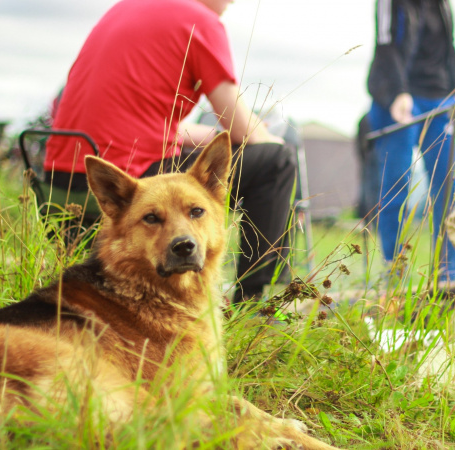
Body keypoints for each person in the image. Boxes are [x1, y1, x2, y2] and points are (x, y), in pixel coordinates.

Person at [43, 0, 295, 304]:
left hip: (57, 183)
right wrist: (270, 139)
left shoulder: (129, 8)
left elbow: (142, 124)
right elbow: (244, 130)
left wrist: (217, 137)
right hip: (130, 185)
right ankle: (255, 303)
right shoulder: (201, 21)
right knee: (277, 162)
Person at [366, 0, 455, 288]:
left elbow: (449, 47)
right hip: (399, 97)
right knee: (396, 188)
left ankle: (448, 278)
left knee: (449, 188)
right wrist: (397, 92)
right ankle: (394, 275)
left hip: (440, 98)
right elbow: (385, 45)